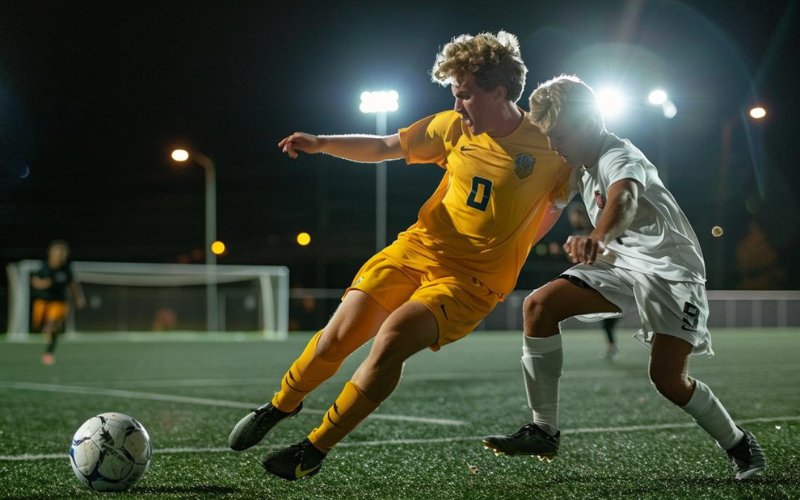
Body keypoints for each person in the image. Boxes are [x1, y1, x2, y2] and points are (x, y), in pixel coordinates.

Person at [227, 31, 571, 481]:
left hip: (470, 283)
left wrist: (515, 247)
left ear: (499, 92)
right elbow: (387, 146)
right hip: (415, 250)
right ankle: (281, 405)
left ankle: (314, 448)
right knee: (336, 339)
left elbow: (558, 205)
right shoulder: (451, 129)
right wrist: (322, 142)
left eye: (464, 95)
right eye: (454, 96)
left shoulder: (553, 148)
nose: (457, 106)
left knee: (392, 339)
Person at [482, 75, 766, 481]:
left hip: (671, 271)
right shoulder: (576, 164)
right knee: (539, 305)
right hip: (618, 264)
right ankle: (543, 430)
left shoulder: (619, 155)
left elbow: (625, 198)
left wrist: (598, 236)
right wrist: (508, 247)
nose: (553, 145)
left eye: (558, 135)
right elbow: (549, 208)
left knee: (668, 380)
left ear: (589, 122)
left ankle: (740, 444)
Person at [567, 202, 619, 359]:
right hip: (597, 278)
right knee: (608, 320)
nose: (573, 219)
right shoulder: (579, 232)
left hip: (611, 276)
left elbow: (601, 248)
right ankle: (612, 348)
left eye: (575, 215)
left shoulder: (593, 229)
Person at [30, 240, 86, 365]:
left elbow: (73, 284)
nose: (61, 255)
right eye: (58, 253)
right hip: (43, 301)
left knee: (51, 325)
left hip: (58, 302)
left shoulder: (66, 269)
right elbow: (35, 281)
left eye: (63, 253)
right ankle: (50, 333)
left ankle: (49, 352)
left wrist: (79, 297)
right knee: (39, 325)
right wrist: (43, 284)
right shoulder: (44, 267)